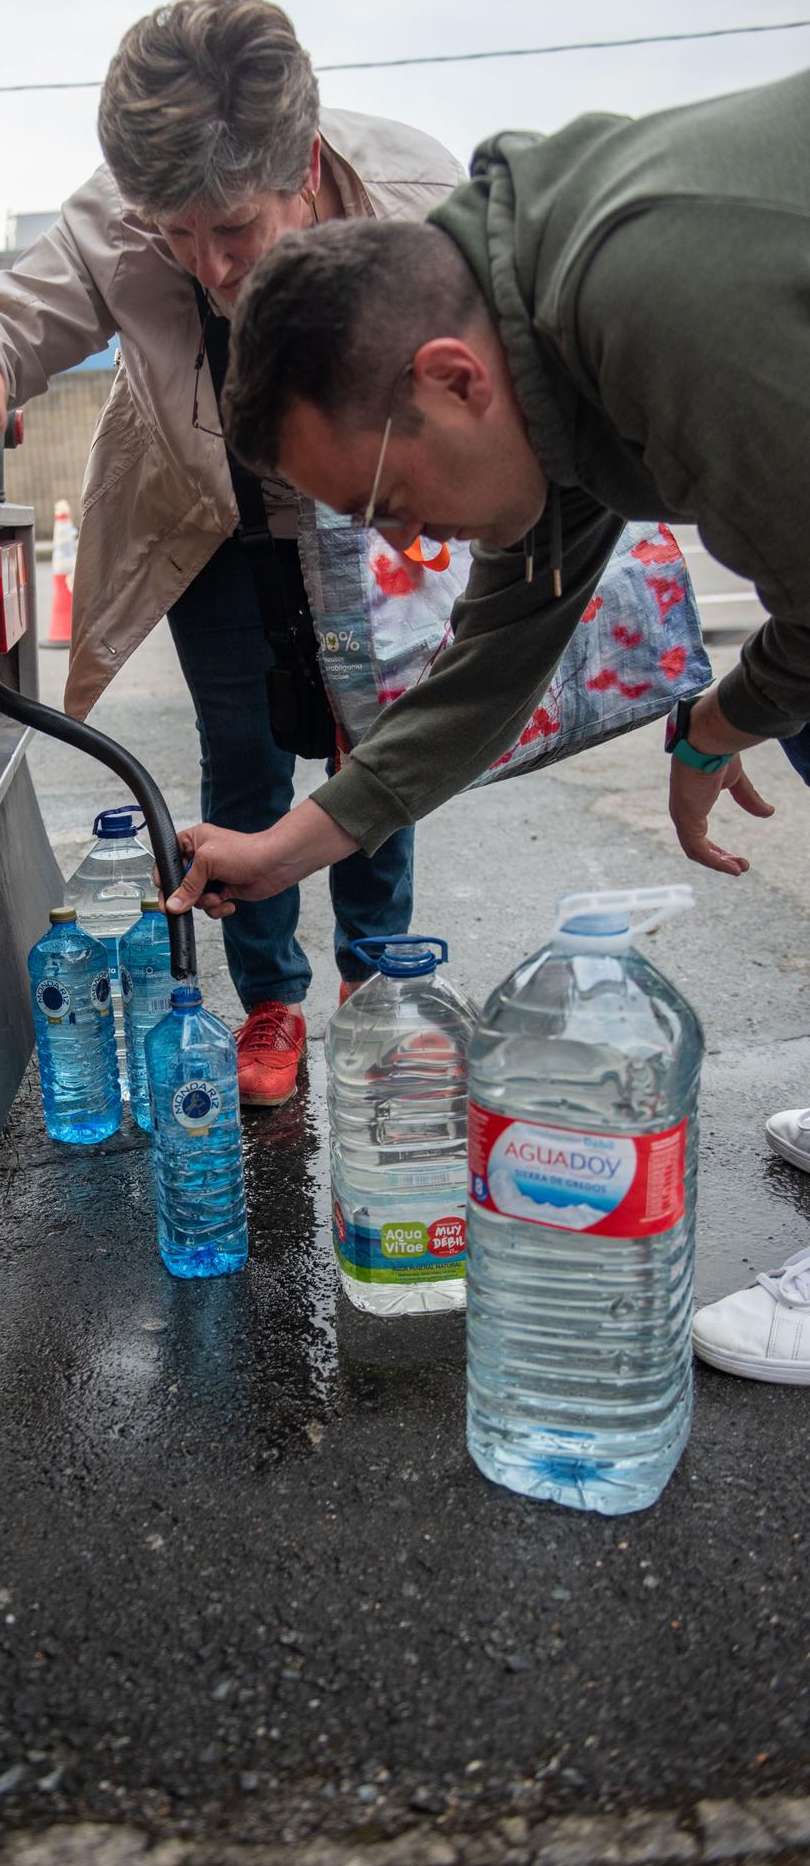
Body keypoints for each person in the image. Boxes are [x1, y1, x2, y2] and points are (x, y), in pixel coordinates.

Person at [165, 66, 810, 1378]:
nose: (402, 545)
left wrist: (726, 715)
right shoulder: (534, 342)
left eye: (389, 502)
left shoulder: (656, 302)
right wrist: (283, 849)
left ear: (449, 380)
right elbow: (494, 654)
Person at [0, 0, 464, 1106]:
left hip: (362, 515)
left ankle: (372, 984)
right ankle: (270, 1001)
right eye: (176, 236)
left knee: (375, 741)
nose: (207, 264)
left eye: (235, 232)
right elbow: (16, 310)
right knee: (243, 758)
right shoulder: (124, 209)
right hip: (210, 516)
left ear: (303, 164)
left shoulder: (420, 200)